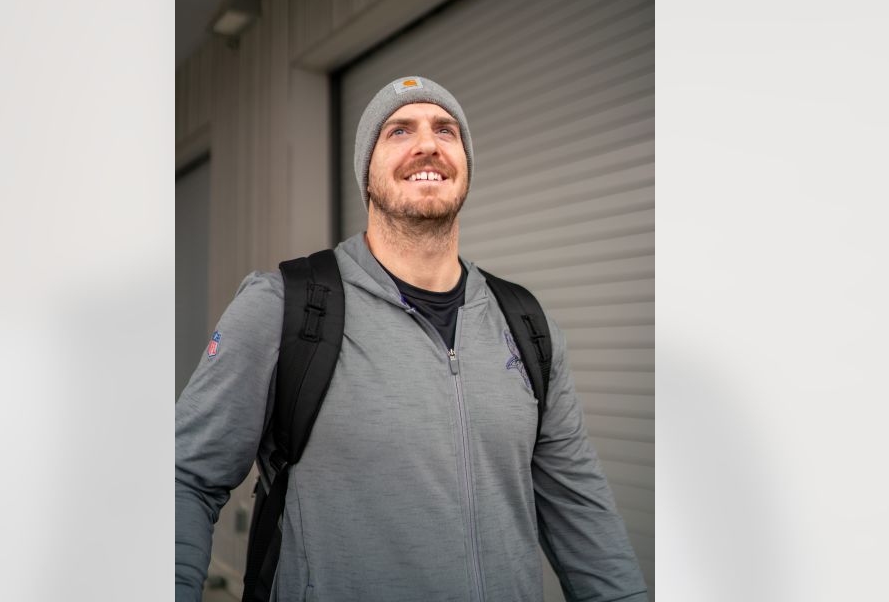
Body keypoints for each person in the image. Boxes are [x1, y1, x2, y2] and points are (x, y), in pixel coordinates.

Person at [176, 76, 648, 602]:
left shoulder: (525, 324)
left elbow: (581, 511)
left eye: (446, 130)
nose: (429, 143)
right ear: (367, 175)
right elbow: (186, 480)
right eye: (399, 130)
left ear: (465, 163)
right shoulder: (284, 305)